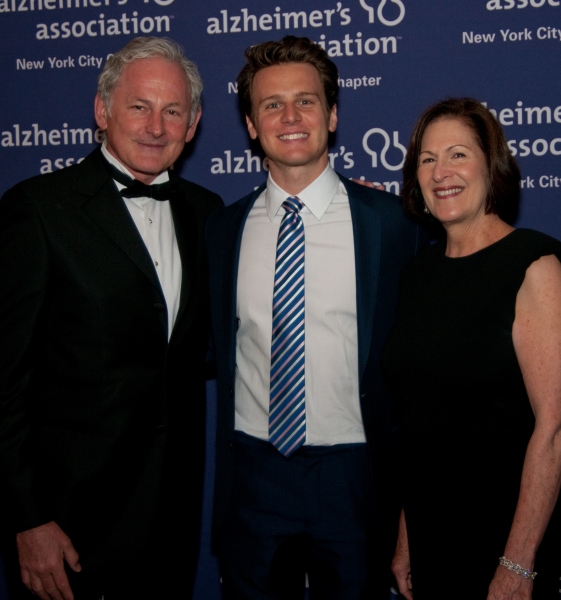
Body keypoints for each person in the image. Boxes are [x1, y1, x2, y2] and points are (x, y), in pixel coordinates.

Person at [0, 36, 222, 600]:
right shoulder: (37, 211)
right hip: (69, 531)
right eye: (138, 106)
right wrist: (27, 519)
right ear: (102, 112)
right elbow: (3, 379)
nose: (156, 126)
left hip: (171, 526)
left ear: (192, 124)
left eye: (173, 110)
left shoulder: (207, 214)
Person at [206, 36, 427, 599]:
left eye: (305, 101)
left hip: (354, 478)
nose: (290, 116)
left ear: (331, 115)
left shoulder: (391, 225)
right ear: (252, 126)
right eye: (271, 105)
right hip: (254, 473)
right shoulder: (221, 232)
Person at [382, 97, 561, 600]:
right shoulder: (418, 274)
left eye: (458, 154)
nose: (442, 172)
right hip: (434, 542)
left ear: (492, 164)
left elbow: (555, 427)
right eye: (427, 158)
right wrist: (406, 539)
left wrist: (518, 565)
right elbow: (419, 424)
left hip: (507, 543)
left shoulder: (535, 265)